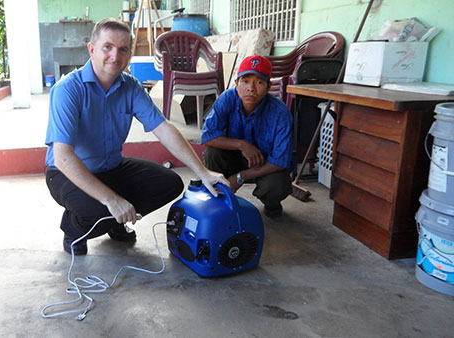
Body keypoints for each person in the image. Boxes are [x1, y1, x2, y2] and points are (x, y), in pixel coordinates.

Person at [44, 18, 228, 255]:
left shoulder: (130, 86)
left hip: (111, 167)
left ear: (129, 55)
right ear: (92, 49)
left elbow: (163, 128)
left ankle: (115, 222)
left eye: (122, 50)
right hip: (65, 174)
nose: (115, 56)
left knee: (169, 184)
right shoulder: (68, 89)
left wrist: (203, 172)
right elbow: (63, 159)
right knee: (101, 209)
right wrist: (112, 200)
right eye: (107, 47)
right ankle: (74, 229)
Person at [201, 55, 293, 218]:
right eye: (245, 81)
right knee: (212, 154)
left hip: (263, 164)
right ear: (236, 84)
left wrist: (240, 177)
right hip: (233, 157)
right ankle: (220, 198)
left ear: (268, 86)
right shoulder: (227, 99)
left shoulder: (280, 112)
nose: (251, 88)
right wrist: (242, 145)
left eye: (258, 82)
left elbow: (280, 160)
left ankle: (271, 203)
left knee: (277, 185)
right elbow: (208, 136)